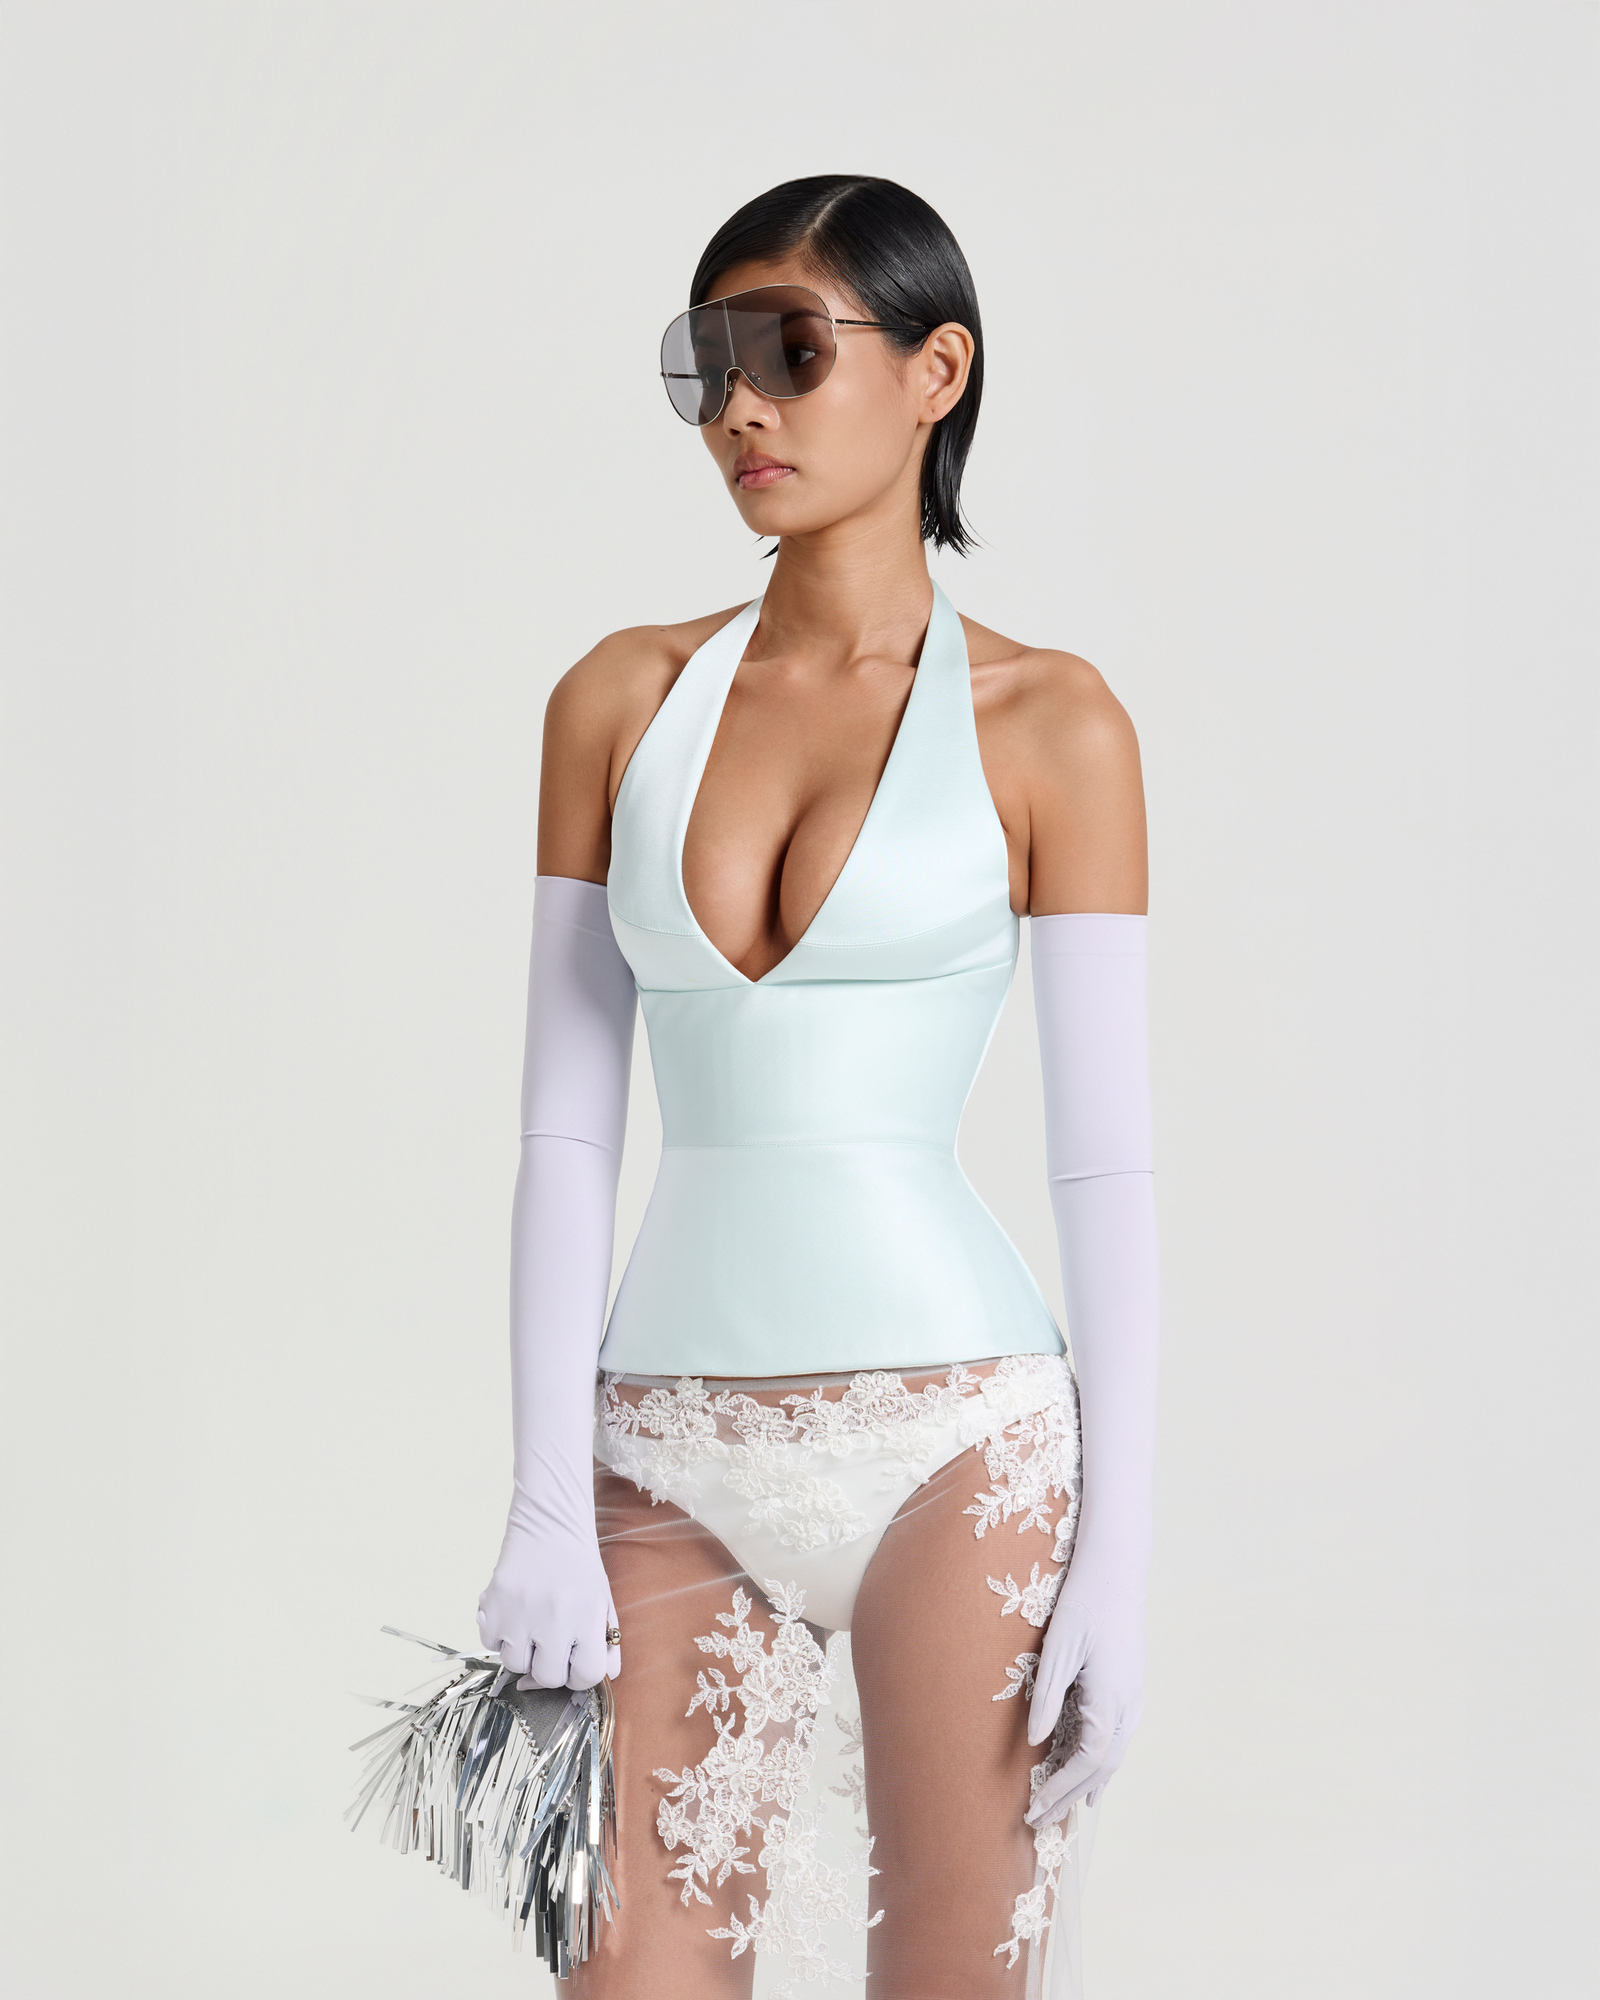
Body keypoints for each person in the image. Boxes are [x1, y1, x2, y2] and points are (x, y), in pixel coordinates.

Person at [475, 175, 1159, 2000]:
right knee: (629, 1970)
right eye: (703, 363)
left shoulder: (1052, 722)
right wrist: (543, 1496)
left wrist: (1125, 1550)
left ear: (938, 372)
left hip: (964, 1442)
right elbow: (565, 1129)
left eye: (789, 351)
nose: (739, 409)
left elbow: (1107, 1171)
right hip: (661, 1444)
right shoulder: (619, 700)